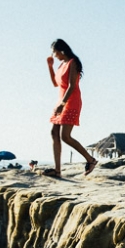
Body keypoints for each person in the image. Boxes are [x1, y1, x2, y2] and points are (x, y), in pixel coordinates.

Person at [44, 38, 97, 177]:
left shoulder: (73, 62)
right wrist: (50, 66)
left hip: (71, 101)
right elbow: (55, 84)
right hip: (61, 101)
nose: (54, 55)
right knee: (54, 133)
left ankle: (91, 160)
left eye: (55, 52)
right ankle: (57, 170)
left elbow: (72, 86)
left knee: (65, 136)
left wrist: (63, 104)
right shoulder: (61, 65)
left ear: (61, 51)